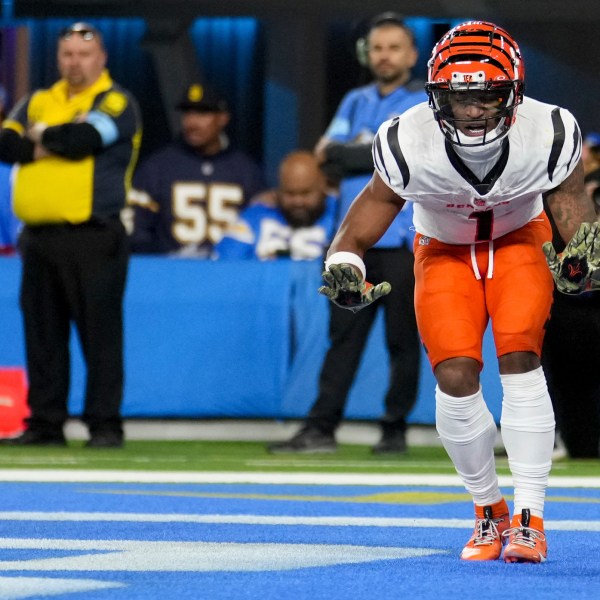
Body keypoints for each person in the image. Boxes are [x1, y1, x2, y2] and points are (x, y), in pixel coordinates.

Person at [316, 21, 599, 563]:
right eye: (457, 96)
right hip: (443, 250)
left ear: (513, 90)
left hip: (521, 241)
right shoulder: (405, 136)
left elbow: (570, 200)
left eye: (486, 94)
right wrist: (345, 258)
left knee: (519, 353)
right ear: (435, 95)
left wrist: (585, 252)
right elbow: (372, 208)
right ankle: (487, 510)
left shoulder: (551, 128)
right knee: (454, 373)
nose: (472, 109)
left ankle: (529, 517)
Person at [269, 13, 426, 456]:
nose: (384, 55)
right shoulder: (355, 99)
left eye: (394, 47)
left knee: (402, 341)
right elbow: (326, 157)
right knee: (342, 340)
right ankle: (322, 427)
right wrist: (369, 152)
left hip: (403, 240)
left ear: (412, 55)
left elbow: (404, 155)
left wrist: (354, 153)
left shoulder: (421, 103)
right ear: (367, 54)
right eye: (377, 47)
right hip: (353, 245)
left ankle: (394, 430)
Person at [0, 22, 142, 447]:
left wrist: (41, 139)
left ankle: (104, 425)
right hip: (40, 237)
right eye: (66, 55)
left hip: (93, 234)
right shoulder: (38, 100)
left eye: (83, 54)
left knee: (99, 333)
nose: (74, 62)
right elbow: (7, 146)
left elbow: (85, 138)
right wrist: (49, 141)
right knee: (43, 334)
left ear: (102, 59)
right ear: (57, 58)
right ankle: (45, 423)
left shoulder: (117, 100)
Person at [128, 83, 265, 257]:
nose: (192, 123)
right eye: (187, 113)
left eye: (202, 113)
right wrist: (160, 261)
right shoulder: (157, 167)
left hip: (231, 273)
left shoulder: (245, 170)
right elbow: (138, 227)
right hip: (173, 273)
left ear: (223, 118)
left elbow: (262, 224)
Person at [541, 169, 600, 459]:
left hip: (588, 304)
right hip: (565, 306)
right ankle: (577, 442)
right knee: (566, 381)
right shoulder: (559, 197)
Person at [214, 151, 336, 260]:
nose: (298, 202)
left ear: (323, 187)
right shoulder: (255, 216)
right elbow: (225, 265)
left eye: (305, 193)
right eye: (290, 194)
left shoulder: (340, 217)